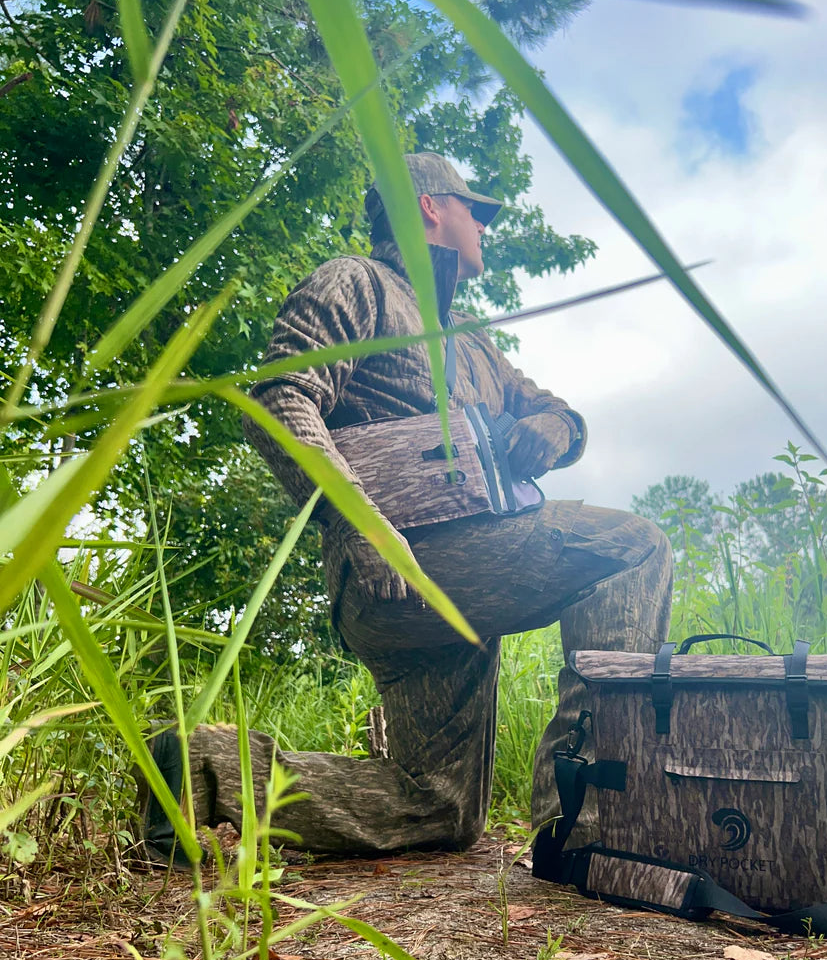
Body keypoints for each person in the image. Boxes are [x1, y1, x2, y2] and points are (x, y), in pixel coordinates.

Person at [142, 153, 672, 865]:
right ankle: (587, 817)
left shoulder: (474, 342)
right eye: (474, 209)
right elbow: (278, 398)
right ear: (429, 206)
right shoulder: (357, 283)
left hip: (454, 583)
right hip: (408, 560)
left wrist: (559, 429)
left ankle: (206, 775)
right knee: (633, 549)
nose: (485, 224)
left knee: (440, 806)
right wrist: (364, 528)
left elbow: (553, 408)